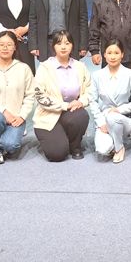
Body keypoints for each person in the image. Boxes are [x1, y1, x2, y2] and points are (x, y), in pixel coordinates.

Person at [0, 31, 36, 165]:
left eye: (9, 45)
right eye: (1, 44)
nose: (5, 48)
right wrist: (3, 112)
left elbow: (30, 95)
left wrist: (22, 116)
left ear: (15, 47)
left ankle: (2, 140)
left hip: (16, 118)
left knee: (11, 145)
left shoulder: (24, 68)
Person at [33, 29, 92, 162]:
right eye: (59, 43)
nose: (63, 47)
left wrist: (81, 101)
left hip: (72, 113)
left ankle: (75, 145)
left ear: (72, 45)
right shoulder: (45, 67)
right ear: (53, 46)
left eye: (67, 43)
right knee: (57, 154)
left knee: (81, 115)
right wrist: (65, 106)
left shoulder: (80, 66)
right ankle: (58, 139)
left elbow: (90, 89)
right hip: (48, 115)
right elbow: (40, 96)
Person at [87, 39, 131, 163]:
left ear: (122, 55)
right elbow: (92, 101)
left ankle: (119, 147)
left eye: (116, 53)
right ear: (104, 54)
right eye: (109, 53)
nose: (113, 57)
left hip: (124, 119)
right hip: (104, 120)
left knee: (113, 116)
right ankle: (112, 143)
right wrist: (100, 122)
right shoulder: (97, 75)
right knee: (102, 150)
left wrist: (119, 110)